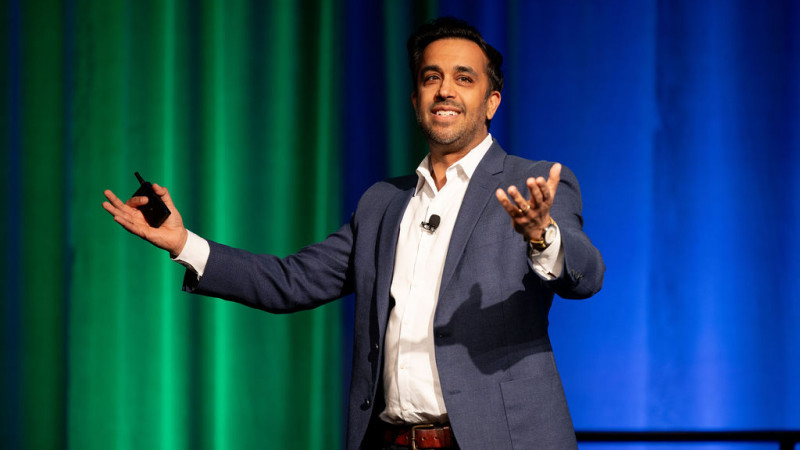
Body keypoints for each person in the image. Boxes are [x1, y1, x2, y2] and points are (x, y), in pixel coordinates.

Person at [103, 17, 604, 450]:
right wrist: (184, 243)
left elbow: (587, 274)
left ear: (491, 101)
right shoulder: (382, 202)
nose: (445, 90)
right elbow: (291, 281)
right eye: (431, 77)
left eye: (463, 78)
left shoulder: (532, 183)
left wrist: (542, 235)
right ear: (416, 99)